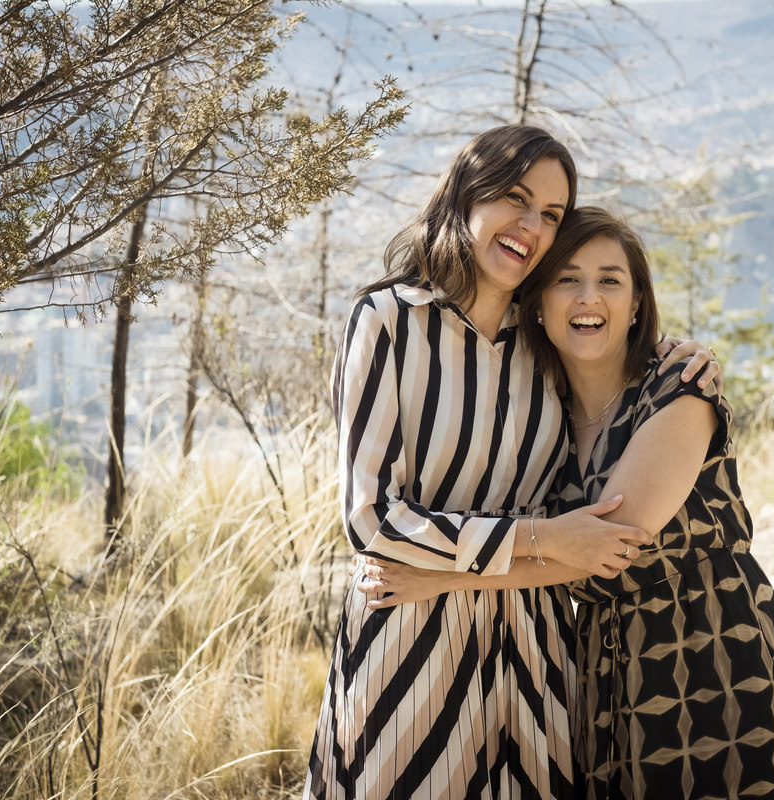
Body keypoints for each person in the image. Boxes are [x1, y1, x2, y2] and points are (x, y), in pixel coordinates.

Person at [305, 128, 720, 800]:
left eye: (552, 215)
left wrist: (682, 355)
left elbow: (611, 345)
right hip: (410, 642)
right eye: (516, 199)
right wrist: (542, 538)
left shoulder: (545, 341)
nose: (532, 227)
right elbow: (372, 518)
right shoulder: (386, 321)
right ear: (467, 193)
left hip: (537, 652)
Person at [358, 207, 774, 799]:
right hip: (601, 667)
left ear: (636, 303)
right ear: (538, 303)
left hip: (714, 648)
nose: (587, 297)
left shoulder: (677, 390)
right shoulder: (538, 419)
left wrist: (442, 579)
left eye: (610, 280)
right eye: (567, 278)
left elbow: (609, 545)